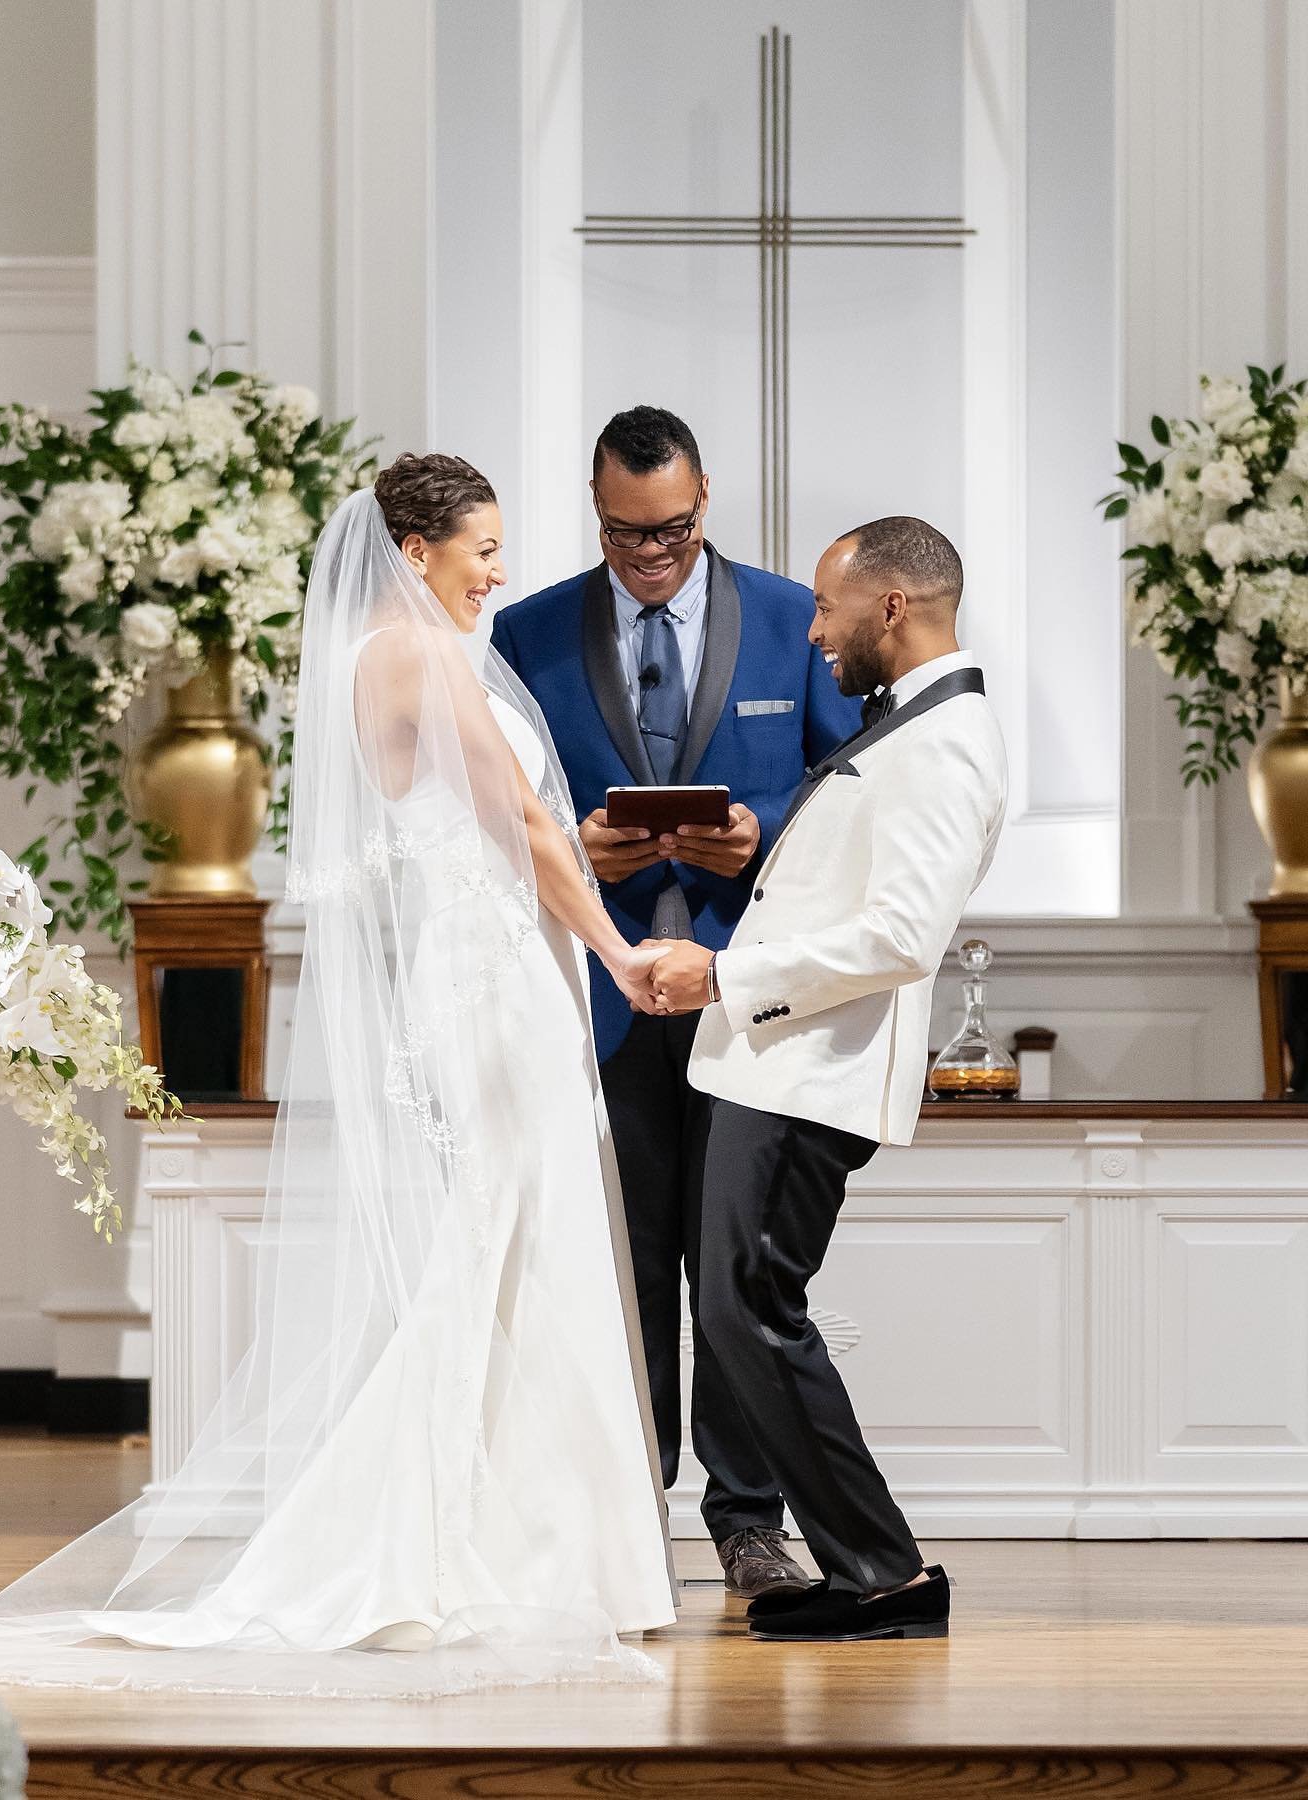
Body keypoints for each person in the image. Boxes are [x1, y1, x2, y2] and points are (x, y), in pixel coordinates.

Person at [0, 457, 677, 1697]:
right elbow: (519, 817)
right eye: (484, 550)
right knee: (505, 1249)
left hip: (489, 975)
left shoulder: (374, 657)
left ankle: (532, 1546)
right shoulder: (413, 659)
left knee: (513, 1249)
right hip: (494, 985)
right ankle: (444, 1548)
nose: (500, 572)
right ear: (417, 554)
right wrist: (620, 951)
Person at [490, 406, 860, 1598]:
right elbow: (500, 805)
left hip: (743, 992)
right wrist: (572, 856)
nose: (650, 553)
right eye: (624, 533)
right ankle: (620, 1508)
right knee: (622, 1261)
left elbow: (845, 784)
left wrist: (758, 837)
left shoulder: (794, 621)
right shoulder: (528, 630)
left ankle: (748, 1520)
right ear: (593, 507)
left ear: (708, 499)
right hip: (599, 996)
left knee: (733, 1263)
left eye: (673, 531)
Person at [647, 516, 1008, 1641]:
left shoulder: (947, 742)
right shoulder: (910, 725)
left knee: (747, 1309)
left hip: (810, 1075)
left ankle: (887, 1576)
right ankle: (869, 1567)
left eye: (828, 607)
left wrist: (726, 975)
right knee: (740, 1310)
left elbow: (903, 938)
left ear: (890, 607)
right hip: (777, 1068)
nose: (813, 631)